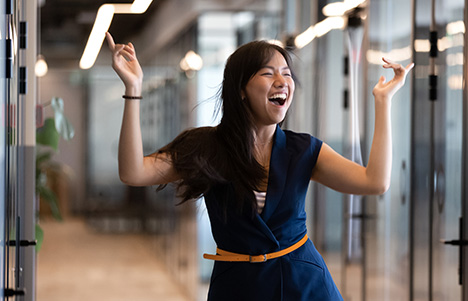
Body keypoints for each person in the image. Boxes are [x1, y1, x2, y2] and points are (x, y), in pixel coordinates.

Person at [106, 31, 413, 300]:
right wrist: (133, 88)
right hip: (238, 286)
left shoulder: (304, 149)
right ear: (241, 88)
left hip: (305, 286)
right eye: (268, 73)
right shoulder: (207, 147)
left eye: (287, 74)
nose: (282, 82)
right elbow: (133, 172)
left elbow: (375, 182)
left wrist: (383, 103)